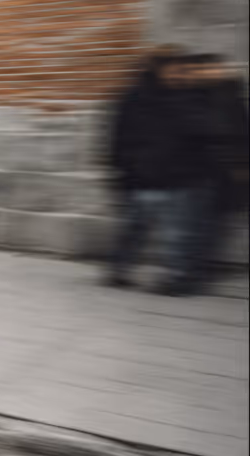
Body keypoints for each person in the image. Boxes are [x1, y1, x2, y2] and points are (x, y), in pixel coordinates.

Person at [105, 48, 210, 296]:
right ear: (157, 69)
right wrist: (124, 169)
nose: (178, 74)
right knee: (135, 230)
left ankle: (176, 278)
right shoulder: (133, 98)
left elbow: (199, 135)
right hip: (142, 180)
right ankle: (119, 270)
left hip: (177, 179)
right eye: (173, 69)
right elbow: (118, 138)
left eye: (181, 70)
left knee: (177, 234)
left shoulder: (187, 97)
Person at [186, 54, 248, 281]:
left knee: (210, 225)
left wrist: (240, 165)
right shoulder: (198, 95)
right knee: (201, 224)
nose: (207, 73)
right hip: (201, 171)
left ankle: (199, 269)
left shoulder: (229, 96)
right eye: (202, 69)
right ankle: (197, 268)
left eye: (211, 69)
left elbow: (240, 134)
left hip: (222, 172)